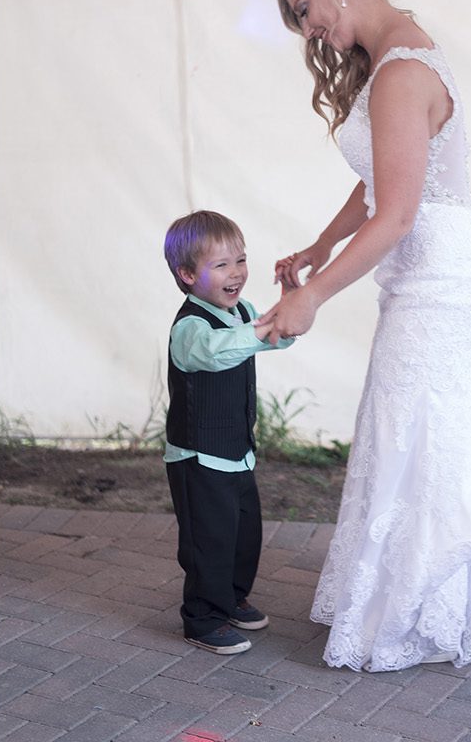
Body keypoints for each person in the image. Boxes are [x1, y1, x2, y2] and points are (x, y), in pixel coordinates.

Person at [259, 0, 471, 672]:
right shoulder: (397, 54)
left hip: (439, 274)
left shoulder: (400, 71)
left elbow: (399, 213)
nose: (306, 27)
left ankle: (418, 614)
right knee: (412, 429)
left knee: (416, 430)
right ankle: (431, 602)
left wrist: (314, 295)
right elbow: (386, 173)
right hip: (434, 267)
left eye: (304, 7)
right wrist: (320, 244)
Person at [162, 210, 294, 656]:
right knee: (209, 539)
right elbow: (217, 353)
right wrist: (257, 331)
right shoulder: (190, 327)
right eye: (221, 264)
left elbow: (278, 336)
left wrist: (290, 302)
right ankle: (202, 617)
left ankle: (232, 598)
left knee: (243, 533)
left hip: (236, 451)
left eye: (240, 259)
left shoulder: (244, 311)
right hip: (197, 454)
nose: (236, 272)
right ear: (187, 274)